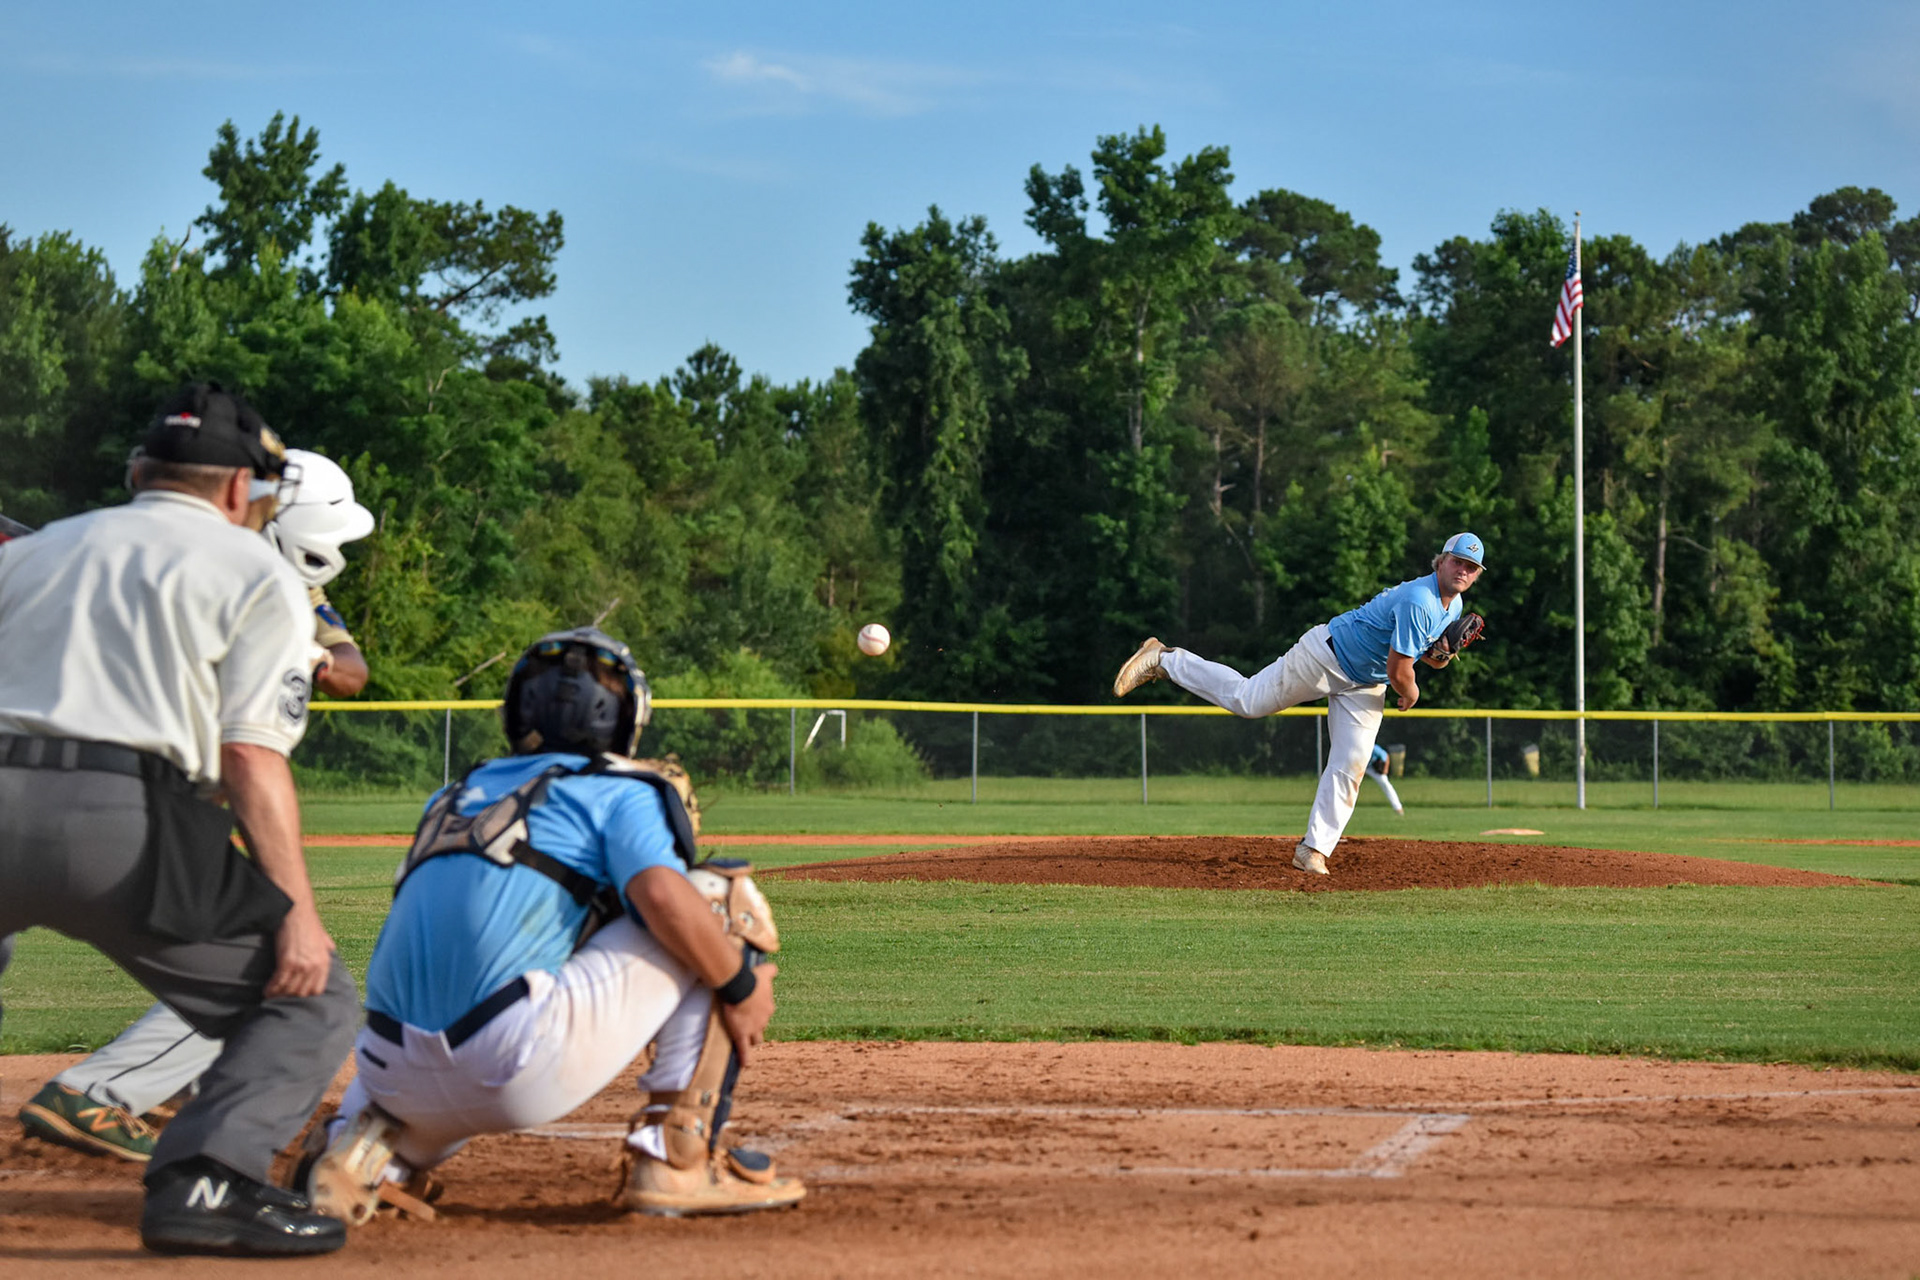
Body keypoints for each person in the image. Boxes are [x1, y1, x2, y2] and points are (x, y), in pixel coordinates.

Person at [0, 384, 357, 1256]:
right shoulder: (256, 571)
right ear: (242, 493)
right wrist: (297, 917)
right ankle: (208, 1183)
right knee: (311, 1003)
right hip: (122, 821)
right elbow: (249, 758)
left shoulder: (34, 552)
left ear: (137, 473)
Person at [300, 627, 803, 1226]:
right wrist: (739, 987)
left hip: (388, 1073)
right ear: (626, 717)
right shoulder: (620, 788)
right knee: (717, 901)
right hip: (510, 1063)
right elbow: (663, 896)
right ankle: (678, 1160)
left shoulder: (454, 794)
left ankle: (363, 1154)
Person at [1113, 533, 1487, 876]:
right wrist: (1412, 693)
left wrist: (1441, 653)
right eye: (1457, 561)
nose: (1463, 570)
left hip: (1364, 682)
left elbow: (1425, 657)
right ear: (1440, 562)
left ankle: (1313, 850)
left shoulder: (1453, 608)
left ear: (1475, 576)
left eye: (1471, 567)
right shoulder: (1419, 599)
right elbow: (1400, 669)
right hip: (1326, 656)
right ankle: (1164, 658)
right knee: (1248, 700)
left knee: (1350, 766)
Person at [1366, 744, 1405, 816]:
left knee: (1385, 784)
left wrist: (1385, 769)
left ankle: (1398, 808)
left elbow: (1386, 756)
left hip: (1372, 767)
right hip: (1357, 765)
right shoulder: (1353, 744)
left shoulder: (1373, 747)